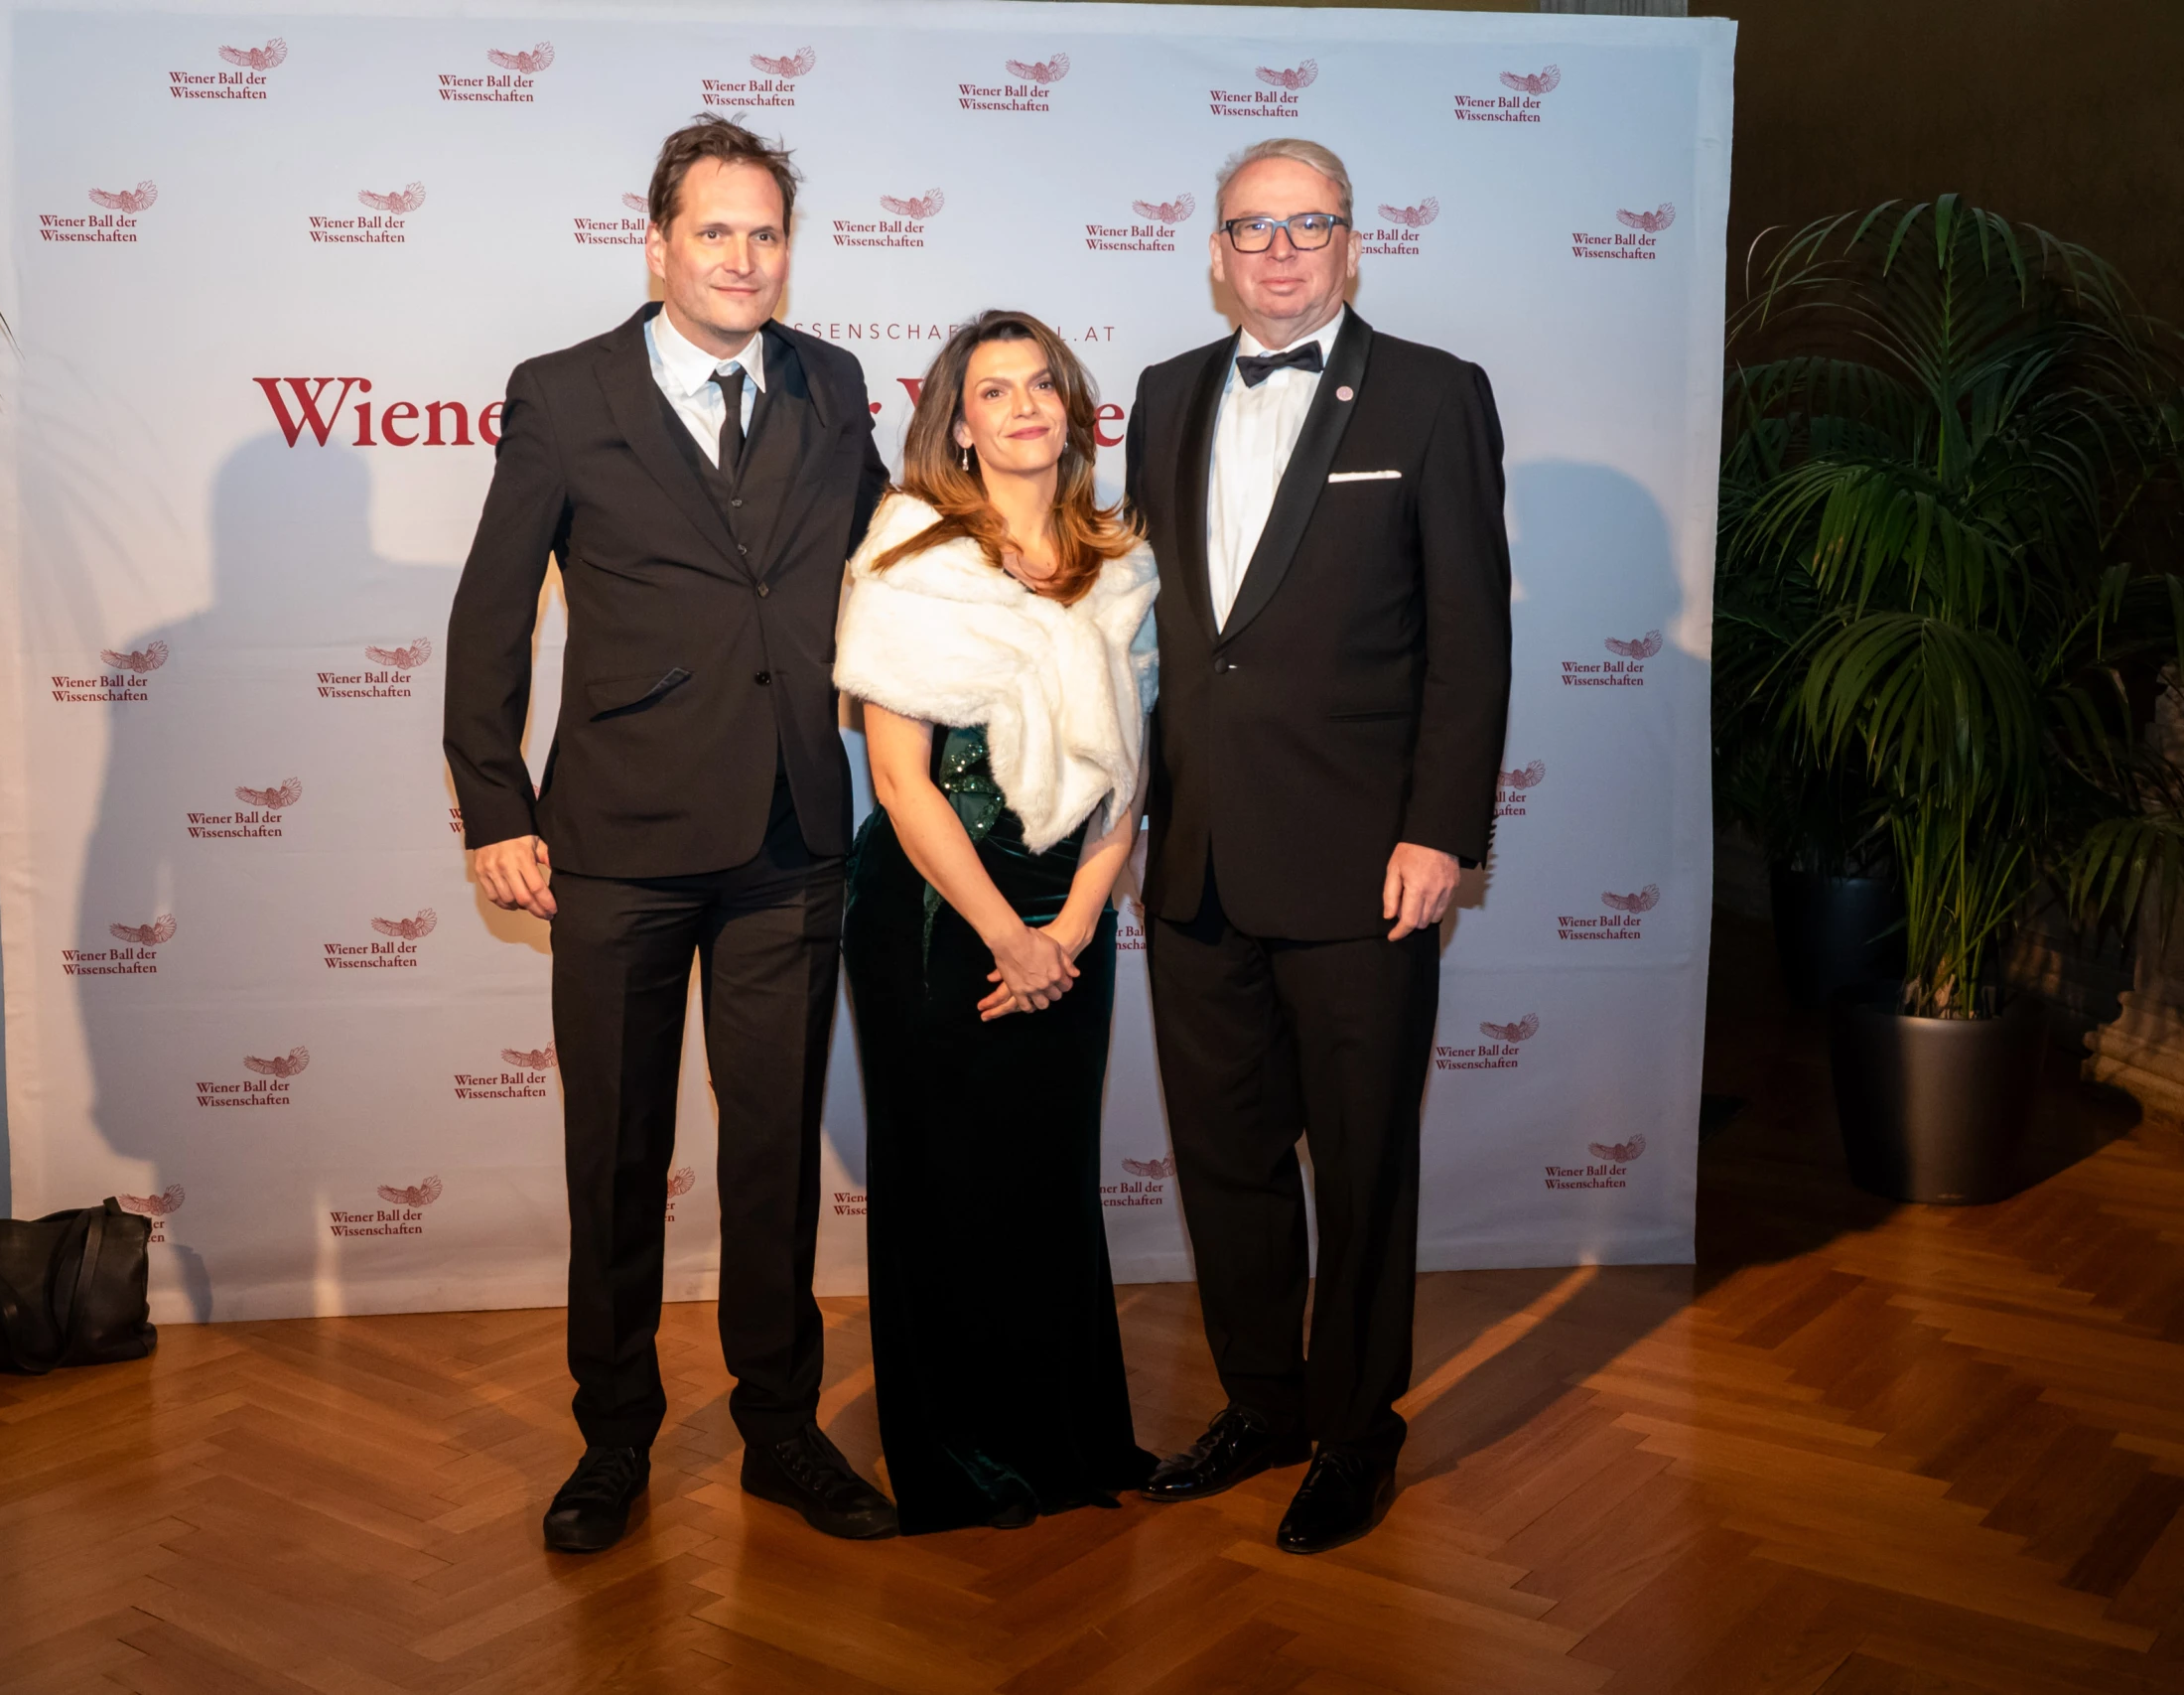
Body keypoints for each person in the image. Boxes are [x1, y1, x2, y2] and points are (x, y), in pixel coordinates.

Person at [444, 115, 896, 1554]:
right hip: (618, 841)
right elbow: (491, 610)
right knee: (618, 1154)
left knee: (771, 1156)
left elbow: (889, 563)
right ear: (657, 245)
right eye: (715, 231)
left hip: (789, 836)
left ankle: (781, 1430)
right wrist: (494, 805)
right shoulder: (563, 392)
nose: (743, 258)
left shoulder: (832, 382)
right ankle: (614, 1438)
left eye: (766, 233)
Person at [1123, 138, 1512, 1554]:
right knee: (1224, 1158)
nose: (1279, 251)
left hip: (1363, 866)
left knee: (1358, 1165)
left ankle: (1356, 1429)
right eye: (1252, 227)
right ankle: (1263, 1403)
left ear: (1353, 242)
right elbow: (1156, 631)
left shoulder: (1432, 392)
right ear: (1214, 251)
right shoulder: (1164, 394)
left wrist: (1439, 831)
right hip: (1196, 858)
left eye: (1308, 225)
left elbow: (1470, 633)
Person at [833, 310, 1160, 1533]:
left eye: (1042, 385)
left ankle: (1067, 1439)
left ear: (1073, 412)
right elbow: (900, 780)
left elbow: (1131, 775)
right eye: (994, 391)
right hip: (934, 908)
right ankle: (958, 1457)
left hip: (1071, 909)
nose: (1023, 406)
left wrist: (1069, 926)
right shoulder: (910, 555)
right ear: (957, 427)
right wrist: (1007, 935)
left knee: (1048, 1172)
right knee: (946, 1180)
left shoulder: (1119, 561)